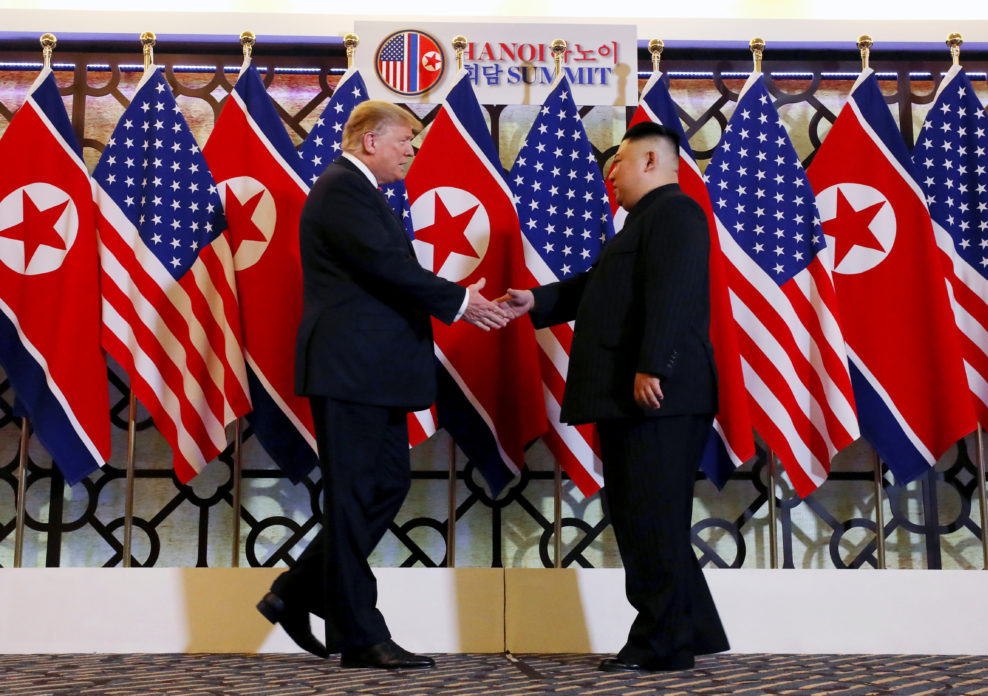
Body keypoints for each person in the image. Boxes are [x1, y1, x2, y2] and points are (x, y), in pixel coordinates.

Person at [257, 100, 510, 669]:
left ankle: (295, 591)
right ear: (370, 141)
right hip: (350, 372)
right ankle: (360, 635)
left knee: (385, 485)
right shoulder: (342, 187)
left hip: (374, 374)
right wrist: (463, 301)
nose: (413, 149)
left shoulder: (361, 192)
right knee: (354, 498)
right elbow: (386, 268)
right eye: (407, 139)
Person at [501, 121, 729, 672]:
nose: (611, 176)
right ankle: (689, 628)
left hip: (658, 396)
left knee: (647, 518)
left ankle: (660, 643)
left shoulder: (675, 213)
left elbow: (674, 295)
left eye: (618, 164)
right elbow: (596, 286)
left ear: (651, 161)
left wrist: (654, 366)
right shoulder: (642, 223)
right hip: (643, 397)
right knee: (650, 517)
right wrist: (537, 299)